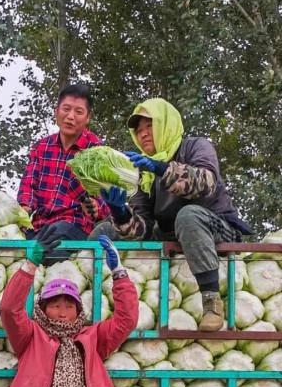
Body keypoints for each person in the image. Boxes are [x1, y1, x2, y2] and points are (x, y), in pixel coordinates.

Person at [96, 97, 252, 331]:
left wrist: (160, 168)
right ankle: (80, 291)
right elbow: (142, 230)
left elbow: (205, 184)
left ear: (165, 123)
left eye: (150, 126)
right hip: (170, 237)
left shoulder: (196, 147)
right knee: (106, 228)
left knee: (188, 215)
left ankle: (211, 302)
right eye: (138, 131)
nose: (144, 135)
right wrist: (120, 214)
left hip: (216, 228)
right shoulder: (143, 174)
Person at [0, 226, 139, 387]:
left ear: (78, 311)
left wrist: (119, 274)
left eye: (68, 306)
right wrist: (30, 264)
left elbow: (126, 320)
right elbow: (9, 309)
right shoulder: (31, 337)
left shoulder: (93, 338)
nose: (62, 312)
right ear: (42, 309)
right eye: (54, 305)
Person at [18, 82, 110, 262]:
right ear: (56, 111)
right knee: (12, 245)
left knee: (57, 233)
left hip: (73, 228)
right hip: (39, 228)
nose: (70, 116)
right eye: (66, 109)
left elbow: (106, 201)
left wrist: (95, 206)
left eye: (78, 112)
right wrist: (22, 211)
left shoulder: (96, 152)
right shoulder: (42, 147)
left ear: (87, 118)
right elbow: (28, 187)